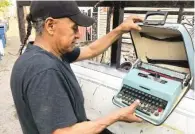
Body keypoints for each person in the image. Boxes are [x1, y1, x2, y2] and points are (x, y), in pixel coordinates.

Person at [10, 1, 143, 134]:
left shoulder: (49, 54)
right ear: (50, 25)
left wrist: (120, 29)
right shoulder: (44, 70)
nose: (79, 34)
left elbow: (91, 50)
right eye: (74, 28)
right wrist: (117, 116)